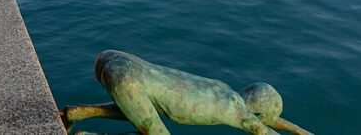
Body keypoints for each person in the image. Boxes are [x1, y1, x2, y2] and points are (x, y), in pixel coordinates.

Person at [61, 50, 313, 135]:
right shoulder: (239, 112)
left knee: (144, 110)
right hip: (128, 81)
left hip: (114, 59)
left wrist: (299, 131)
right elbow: (265, 130)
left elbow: (266, 123)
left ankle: (77, 114)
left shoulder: (223, 89)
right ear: (258, 110)